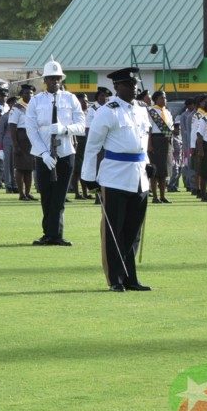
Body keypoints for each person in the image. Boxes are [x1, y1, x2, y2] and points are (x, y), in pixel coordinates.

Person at [80, 67, 152, 292]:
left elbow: (142, 141)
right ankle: (115, 279)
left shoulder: (141, 110)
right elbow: (92, 146)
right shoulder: (107, 112)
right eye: (129, 85)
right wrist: (88, 177)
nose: (134, 88)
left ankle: (131, 278)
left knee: (133, 231)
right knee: (114, 231)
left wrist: (148, 163)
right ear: (117, 87)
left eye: (135, 84)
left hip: (139, 177)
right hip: (115, 178)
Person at [25, 59, 85, 246]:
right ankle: (48, 233)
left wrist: (65, 129)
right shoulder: (36, 101)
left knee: (59, 197)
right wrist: (44, 153)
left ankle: (56, 235)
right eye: (51, 78)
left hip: (65, 152)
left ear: (61, 79)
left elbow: (81, 126)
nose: (55, 81)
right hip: (43, 154)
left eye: (57, 78)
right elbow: (31, 129)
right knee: (46, 195)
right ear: (45, 80)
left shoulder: (70, 99)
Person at [146, 90, 175, 204]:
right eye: (162, 98)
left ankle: (163, 196)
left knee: (164, 171)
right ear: (156, 99)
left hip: (166, 141)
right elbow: (149, 129)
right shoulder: (151, 111)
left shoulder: (167, 112)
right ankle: (155, 196)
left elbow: (171, 128)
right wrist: (149, 144)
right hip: (155, 140)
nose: (164, 100)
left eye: (165, 98)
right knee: (155, 171)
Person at [9, 84, 36, 201]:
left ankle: (28, 193)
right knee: (20, 168)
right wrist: (15, 145)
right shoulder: (17, 107)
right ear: (21, 95)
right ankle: (21, 194)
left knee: (29, 168)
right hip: (21, 138)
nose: (29, 95)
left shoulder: (34, 106)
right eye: (26, 93)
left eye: (31, 93)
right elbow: (12, 126)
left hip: (32, 139)